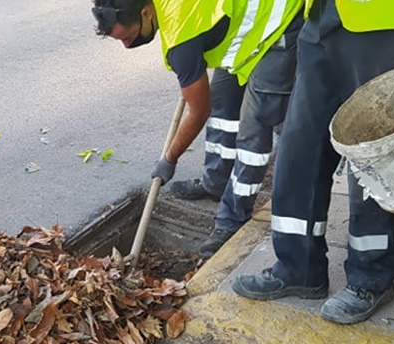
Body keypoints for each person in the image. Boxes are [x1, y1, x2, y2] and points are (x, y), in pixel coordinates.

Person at [231, 0, 394, 324]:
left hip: (392, 22)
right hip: (322, 17)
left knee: (375, 150)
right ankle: (298, 268)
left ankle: (371, 278)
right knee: (299, 149)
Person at [91, 0, 304, 258]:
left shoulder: (181, 37)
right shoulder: (171, 18)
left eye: (127, 37)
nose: (126, 46)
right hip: (244, 25)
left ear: (146, 13)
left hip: (279, 23)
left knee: (254, 126)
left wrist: (169, 159)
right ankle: (215, 183)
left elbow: (198, 112)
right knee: (223, 104)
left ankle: (232, 218)